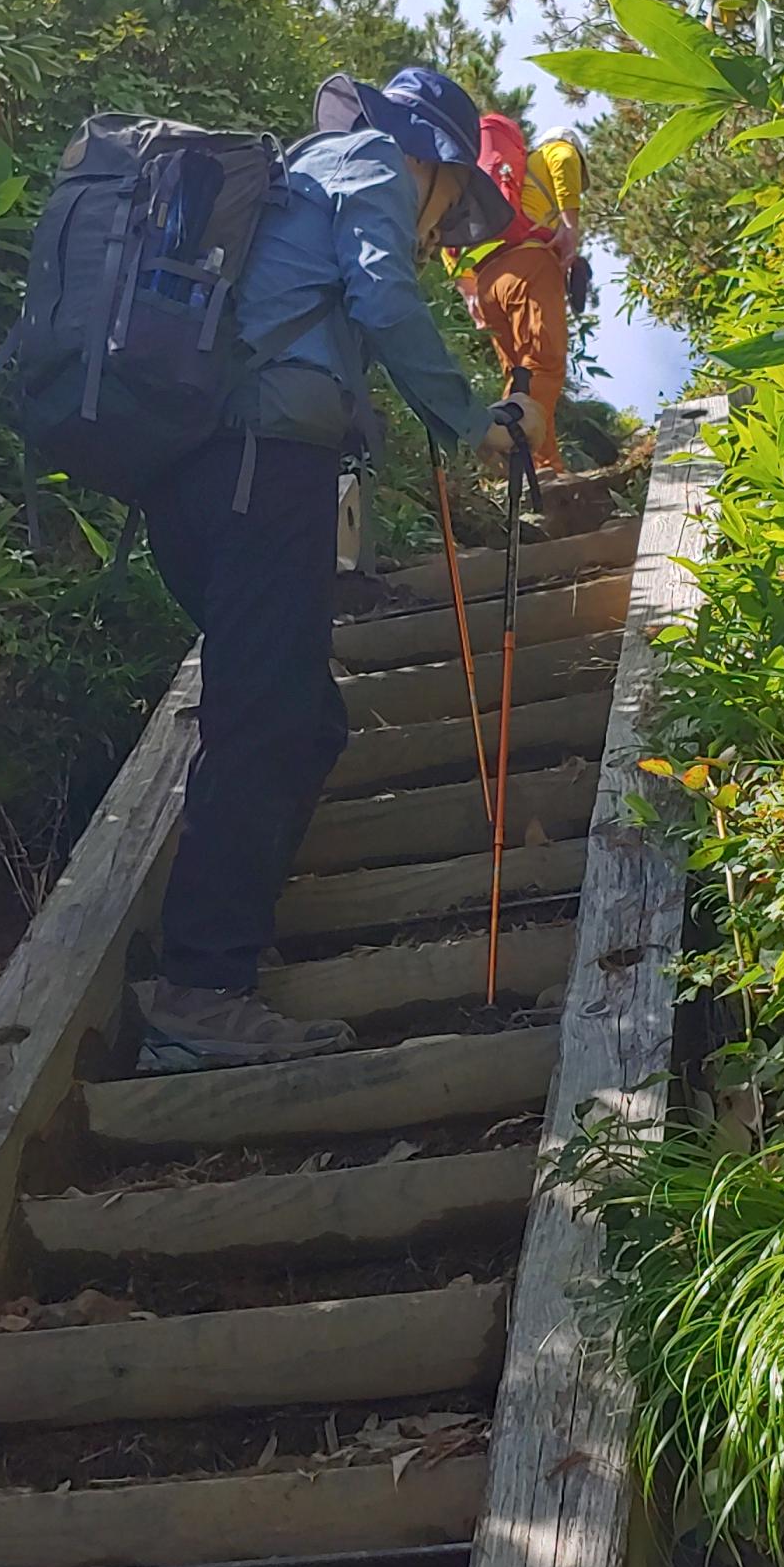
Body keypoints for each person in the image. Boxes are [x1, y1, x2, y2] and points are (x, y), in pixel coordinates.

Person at [137, 64, 542, 1075]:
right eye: (453, 205)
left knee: (300, 719)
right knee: (267, 716)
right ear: (433, 160)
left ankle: (224, 941)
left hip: (196, 470)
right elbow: (384, 295)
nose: (442, 233)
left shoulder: (302, 181)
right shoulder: (368, 162)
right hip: (264, 463)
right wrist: (473, 423)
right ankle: (201, 990)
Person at [444, 119, 585, 473]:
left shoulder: (489, 185)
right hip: (529, 266)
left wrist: (468, 291)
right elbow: (564, 158)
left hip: (487, 283)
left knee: (521, 376)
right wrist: (570, 226)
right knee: (543, 364)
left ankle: (539, 466)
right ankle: (529, 463)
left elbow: (447, 239)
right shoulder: (551, 151)